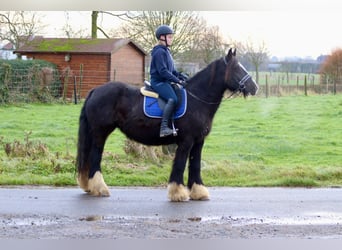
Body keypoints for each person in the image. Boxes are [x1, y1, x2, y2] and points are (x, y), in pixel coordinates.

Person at [150, 25, 187, 137]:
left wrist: (181, 76)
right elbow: (163, 72)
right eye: (169, 37)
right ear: (162, 37)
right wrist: (178, 81)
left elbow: (172, 70)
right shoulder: (159, 52)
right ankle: (164, 128)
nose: (171, 39)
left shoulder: (166, 51)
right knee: (173, 99)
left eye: (171, 37)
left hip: (165, 81)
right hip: (158, 82)